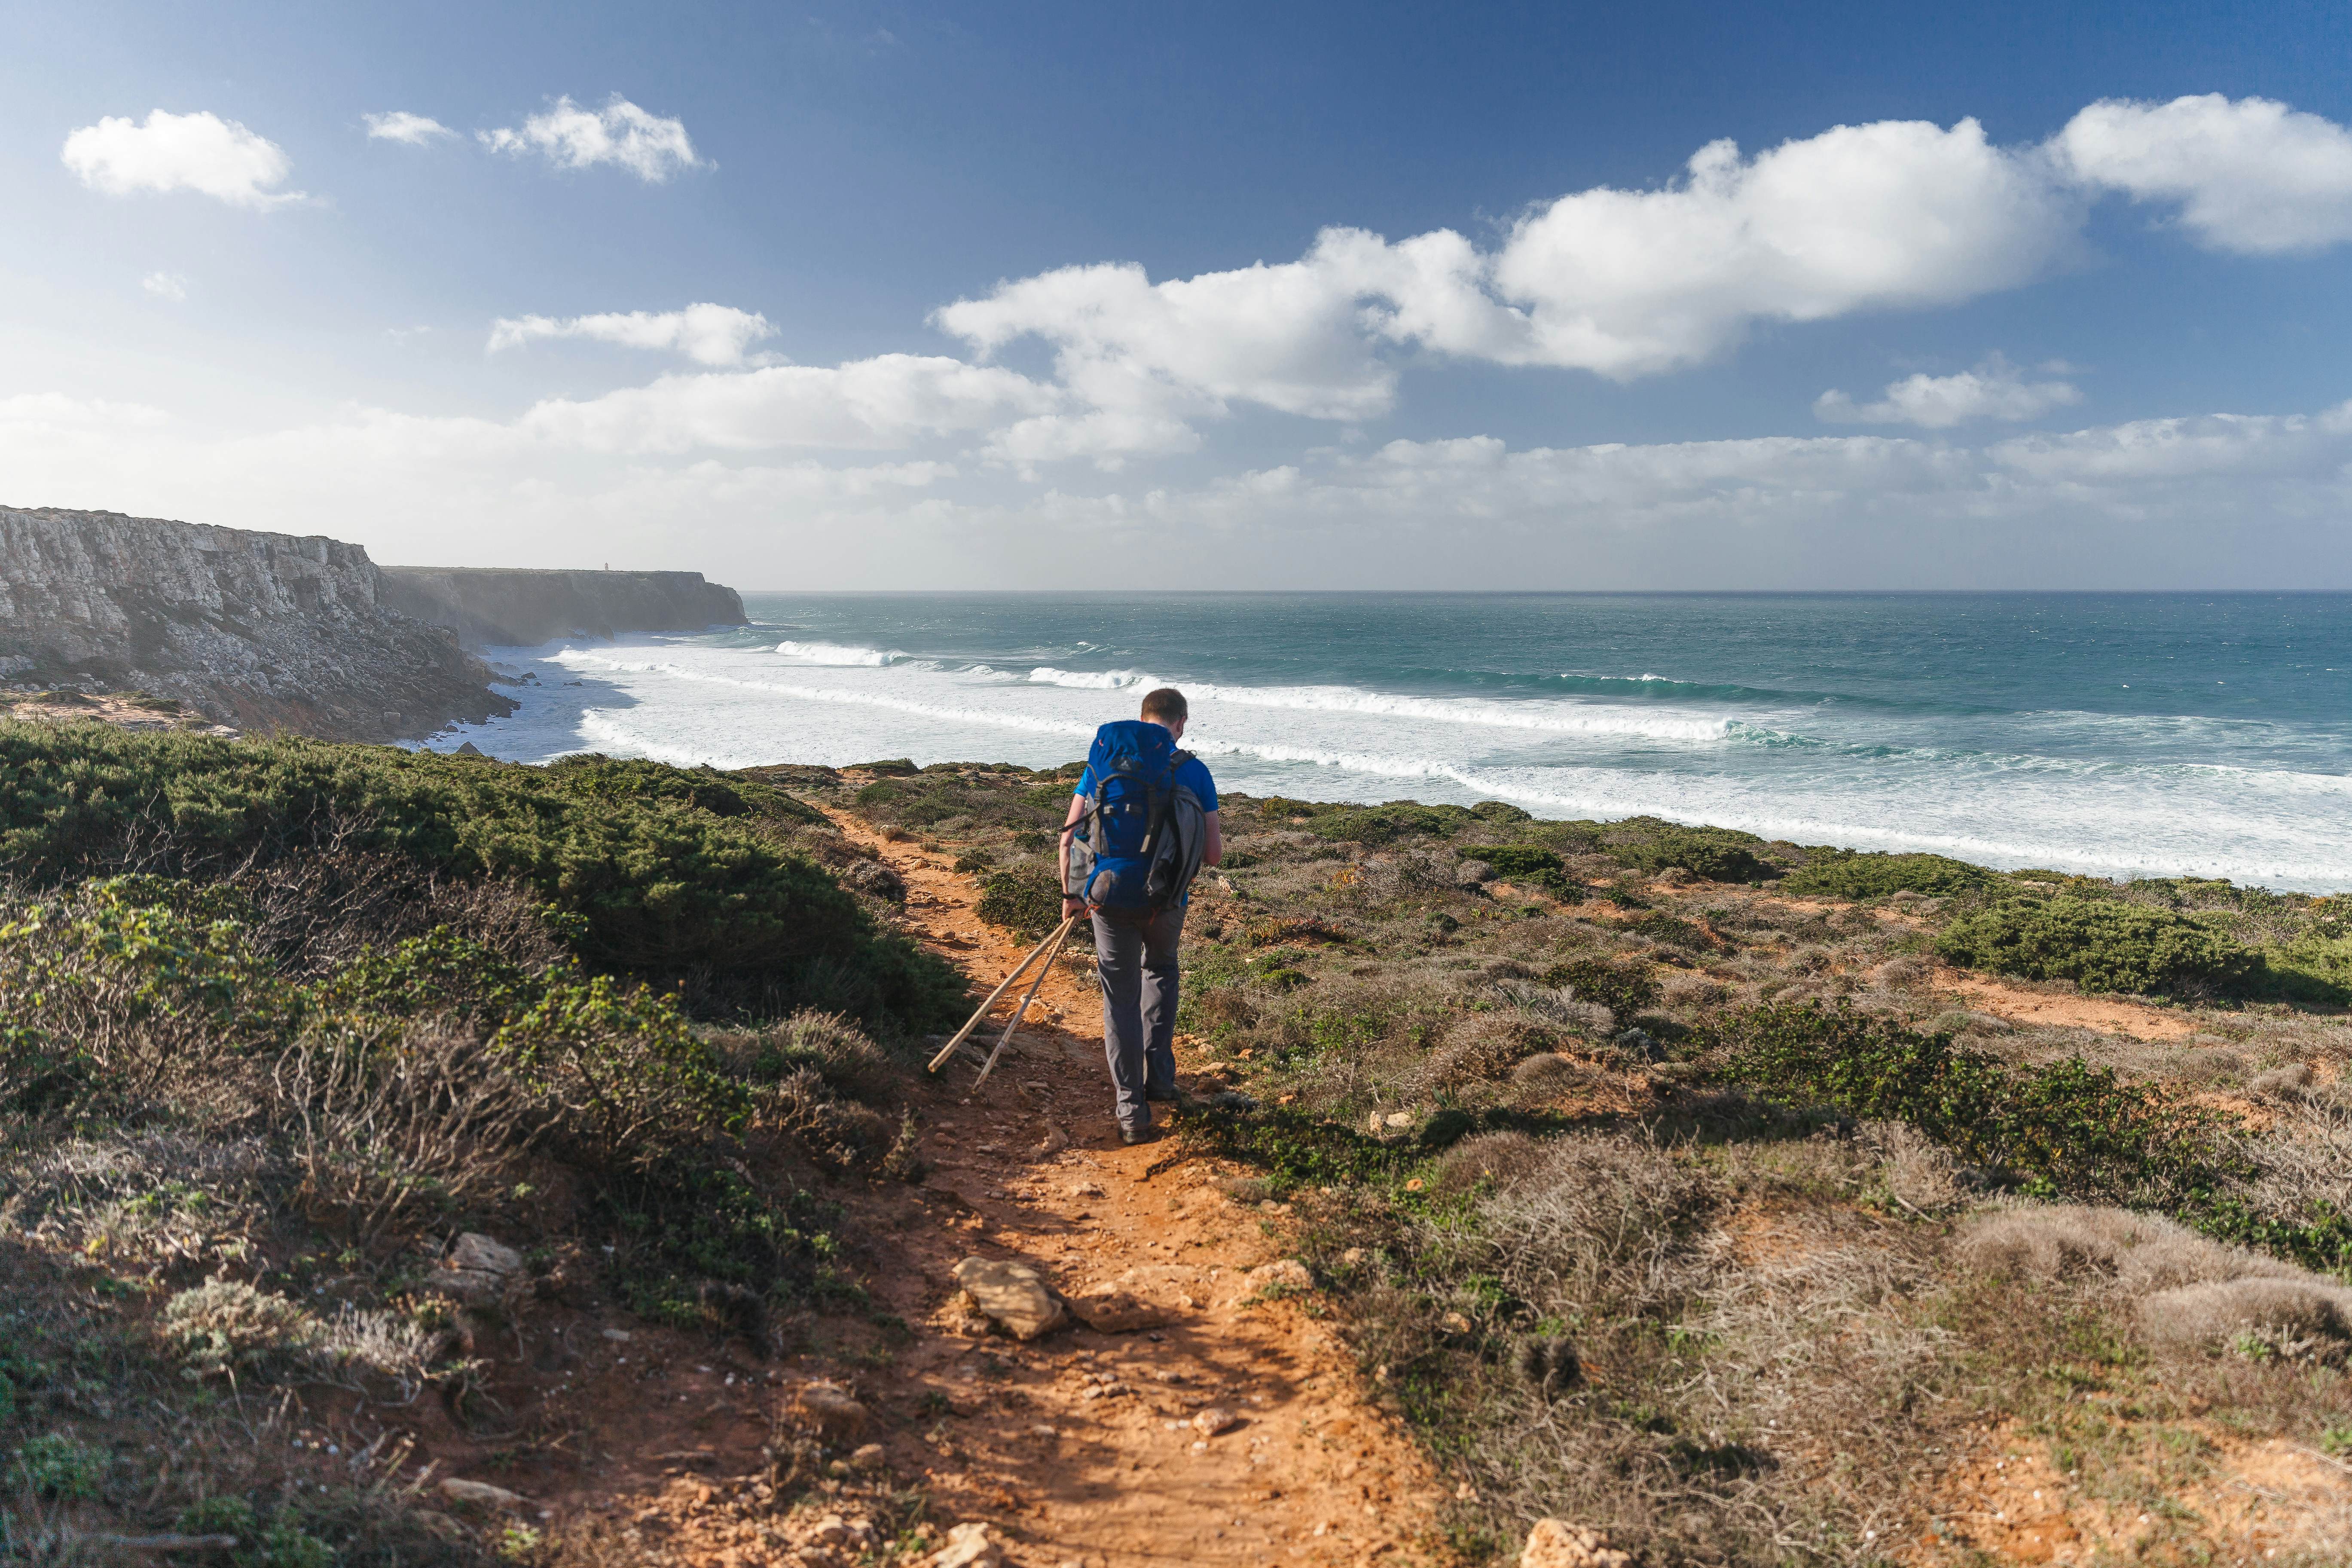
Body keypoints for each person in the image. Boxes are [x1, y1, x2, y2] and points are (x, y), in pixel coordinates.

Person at [1059, 686, 1221, 1145]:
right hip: (1167, 900)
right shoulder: (1193, 770)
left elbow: (1069, 839)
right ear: (1180, 724)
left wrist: (1071, 895)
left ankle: (1131, 1112)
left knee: (1120, 999)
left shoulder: (1102, 764)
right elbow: (1211, 855)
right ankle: (1161, 1080)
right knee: (1162, 971)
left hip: (1106, 898)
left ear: (1142, 717)